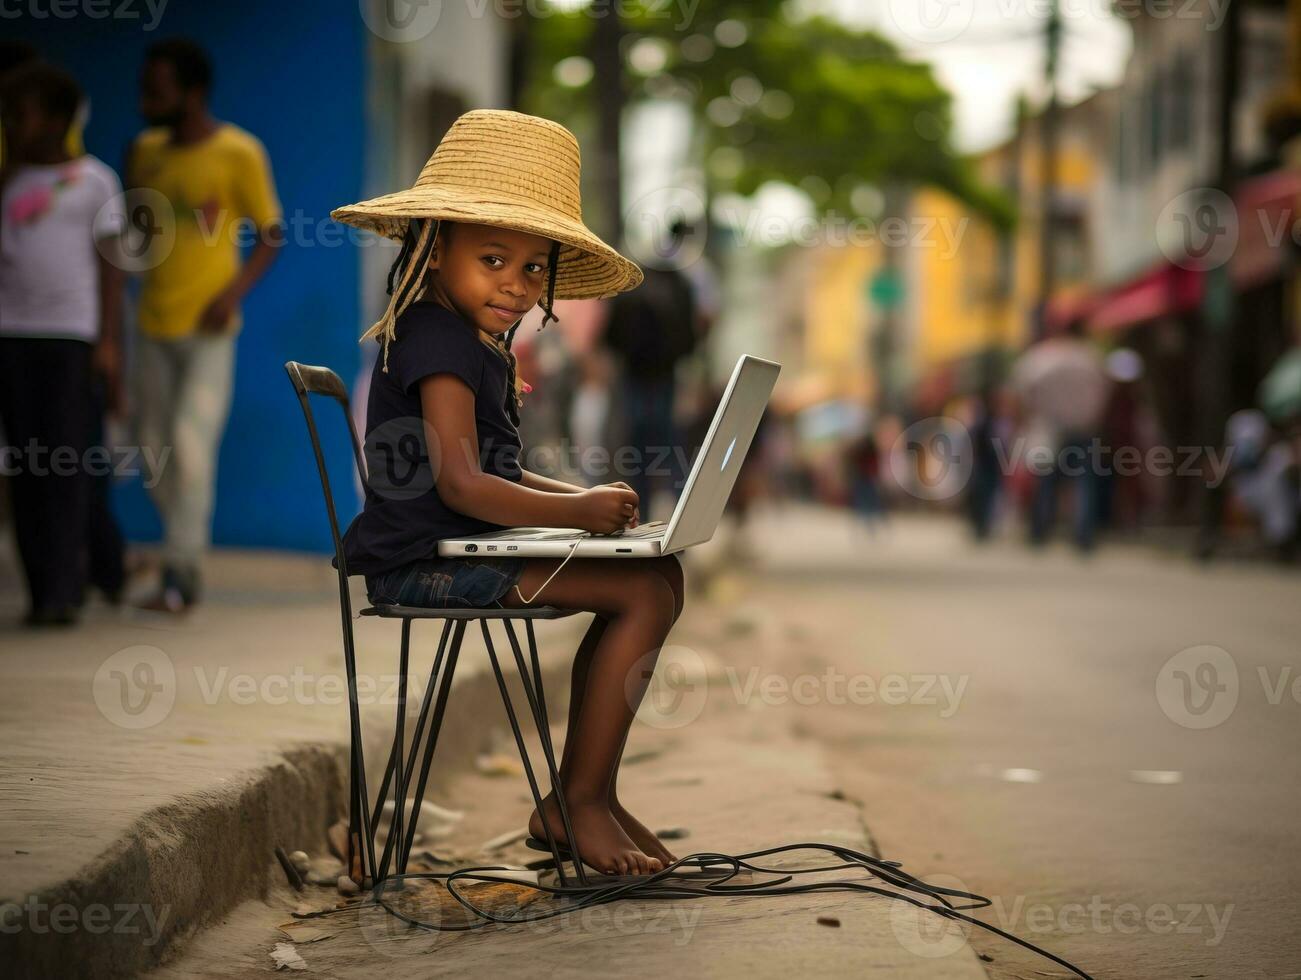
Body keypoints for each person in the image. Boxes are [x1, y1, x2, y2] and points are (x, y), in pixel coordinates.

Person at [331, 109, 685, 878]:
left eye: (532, 268)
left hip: (454, 547)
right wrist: (575, 514)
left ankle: (590, 793)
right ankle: (579, 801)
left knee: (655, 575)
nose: (514, 284)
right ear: (432, 248)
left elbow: (499, 469)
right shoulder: (434, 336)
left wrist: (592, 507)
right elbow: (462, 485)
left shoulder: (474, 343)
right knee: (646, 593)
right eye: (493, 258)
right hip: (422, 562)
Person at [126, 38, 283, 612]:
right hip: (150, 322)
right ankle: (179, 552)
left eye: (158, 90)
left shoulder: (239, 152)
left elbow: (271, 232)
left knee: (191, 449)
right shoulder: (142, 152)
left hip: (211, 328)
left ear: (192, 94)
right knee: (152, 451)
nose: (145, 99)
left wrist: (231, 294)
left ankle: (180, 575)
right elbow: (131, 241)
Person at [0, 62, 127, 626]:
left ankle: (67, 584)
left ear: (55, 120)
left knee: (67, 464)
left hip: (72, 339)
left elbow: (112, 268)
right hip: (11, 338)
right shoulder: (7, 182)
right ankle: (40, 590)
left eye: (20, 114)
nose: (11, 125)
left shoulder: (96, 179)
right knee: (25, 466)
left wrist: (109, 343)